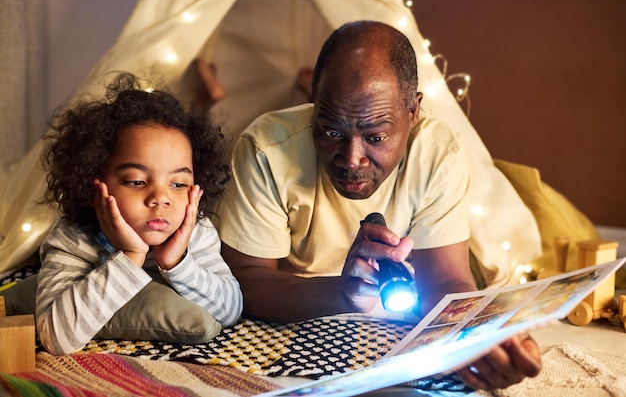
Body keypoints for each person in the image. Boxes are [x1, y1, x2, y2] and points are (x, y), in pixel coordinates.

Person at [215, 20, 541, 390]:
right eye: (332, 131)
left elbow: (447, 281)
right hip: (290, 325)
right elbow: (246, 282)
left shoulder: (437, 152)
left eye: (375, 136)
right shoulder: (266, 148)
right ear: (314, 101)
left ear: (414, 111)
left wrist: (480, 336)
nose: (352, 158)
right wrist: (344, 292)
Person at [36, 73, 243, 355]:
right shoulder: (73, 238)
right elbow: (56, 338)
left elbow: (231, 311)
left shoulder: (196, 232)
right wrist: (130, 256)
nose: (160, 198)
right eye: (136, 181)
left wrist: (178, 263)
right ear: (93, 182)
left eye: (178, 184)